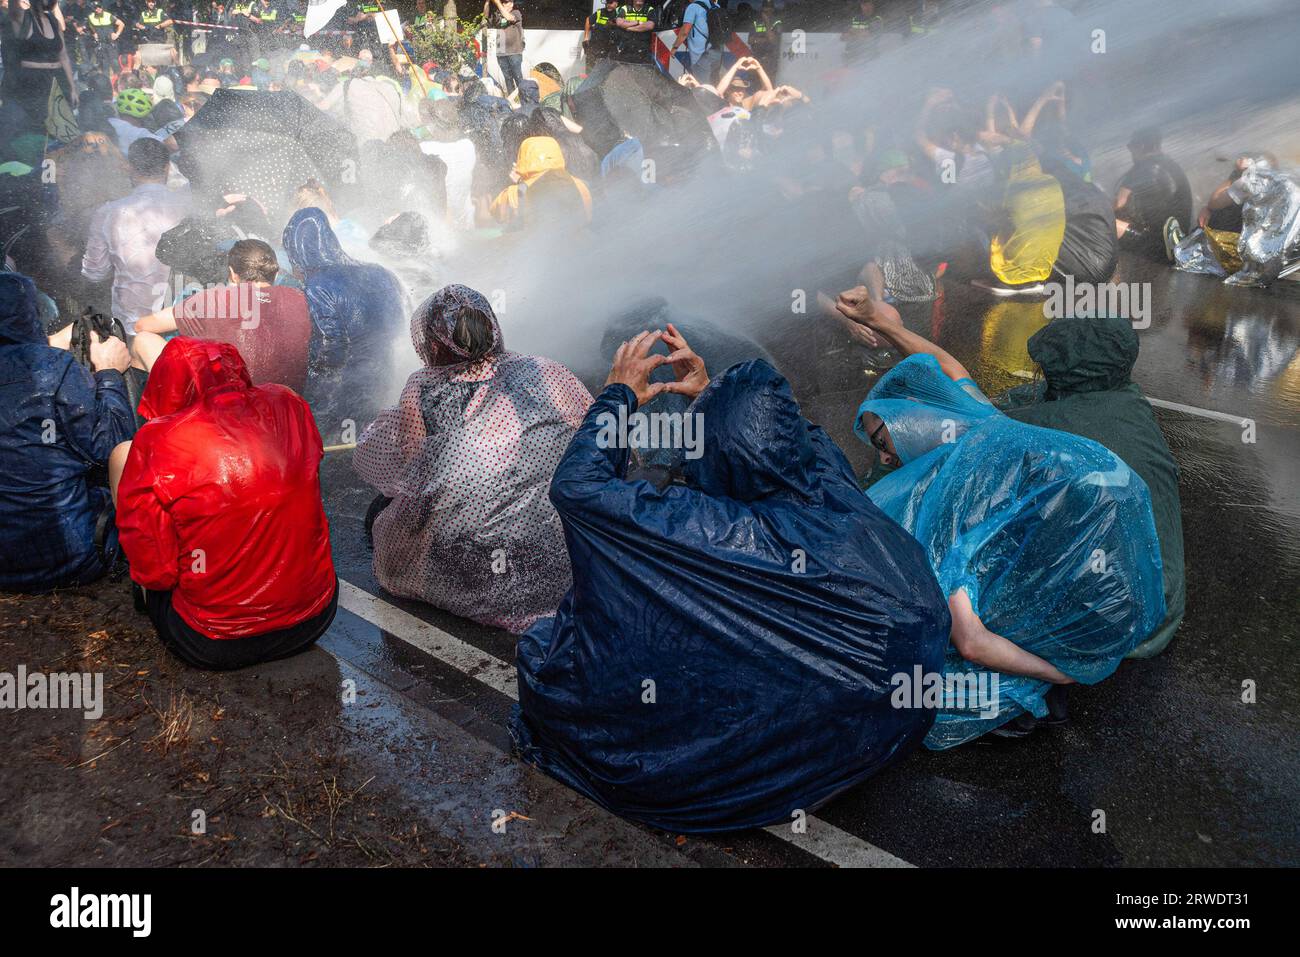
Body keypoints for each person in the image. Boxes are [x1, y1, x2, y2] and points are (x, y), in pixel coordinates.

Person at [512, 328, 952, 831]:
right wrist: (715, 398)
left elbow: (578, 487)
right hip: (883, 733)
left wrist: (620, 396)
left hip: (721, 774)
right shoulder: (828, 482)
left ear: (714, 455)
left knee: (552, 646)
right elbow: (796, 435)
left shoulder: (707, 528)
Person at [836, 288, 1167, 745]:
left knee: (895, 667)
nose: (886, 459)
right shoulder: (981, 421)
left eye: (882, 440)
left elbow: (969, 639)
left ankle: (1020, 689)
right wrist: (881, 321)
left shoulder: (942, 498)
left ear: (916, 421)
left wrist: (1061, 673)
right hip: (1128, 601)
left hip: (1079, 634)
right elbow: (947, 369)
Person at [355, 284, 592, 633]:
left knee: (382, 511)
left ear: (432, 342)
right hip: (553, 555)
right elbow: (594, 437)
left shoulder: (421, 388)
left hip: (472, 565)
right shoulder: (545, 370)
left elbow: (413, 476)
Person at [111, 337, 338, 670]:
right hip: (314, 618)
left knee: (121, 456)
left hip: (212, 640)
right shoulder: (291, 406)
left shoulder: (156, 441)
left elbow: (157, 573)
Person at [994, 316, 1186, 659]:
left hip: (1109, 623)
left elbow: (978, 426)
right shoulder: (1131, 404)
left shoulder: (1045, 427)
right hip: (1161, 603)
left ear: (1065, 374)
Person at [0, 271, 135, 591]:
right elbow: (112, 449)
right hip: (71, 558)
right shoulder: (54, 369)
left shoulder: (47, 368)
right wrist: (109, 373)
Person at [281, 206, 406, 444]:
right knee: (373, 445)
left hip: (348, 385)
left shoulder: (318, 285)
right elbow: (400, 324)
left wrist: (312, 394)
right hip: (385, 374)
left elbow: (331, 347)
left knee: (335, 450)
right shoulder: (379, 272)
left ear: (297, 250)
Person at [130, 239, 312, 393]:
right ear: (276, 272)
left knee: (143, 340)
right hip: (286, 403)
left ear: (233, 274)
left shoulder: (215, 299)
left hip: (227, 410)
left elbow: (142, 326)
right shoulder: (300, 299)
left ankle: (153, 425)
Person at [81, 137, 192, 334]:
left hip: (131, 325)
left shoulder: (108, 212)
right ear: (167, 168)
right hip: (179, 320)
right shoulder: (187, 206)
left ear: (130, 168)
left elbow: (94, 273)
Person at [1114, 126, 1192, 260]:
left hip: (1157, 244)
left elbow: (1117, 204)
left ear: (1141, 146)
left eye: (1131, 146)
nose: (1130, 151)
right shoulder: (1172, 165)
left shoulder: (1141, 169)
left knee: (1105, 221)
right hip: (1182, 235)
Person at [4, 0, 78, 134]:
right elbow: (13, 7)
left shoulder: (53, 21)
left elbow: (63, 56)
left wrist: (72, 88)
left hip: (56, 80)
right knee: (34, 127)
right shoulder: (22, 17)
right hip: (31, 82)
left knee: (60, 129)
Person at [490, 136, 592, 227]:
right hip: (579, 244)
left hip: (540, 245)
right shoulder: (581, 185)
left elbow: (495, 213)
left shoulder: (514, 194)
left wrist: (521, 180)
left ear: (523, 158)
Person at [669, 0, 718, 82]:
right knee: (713, 82)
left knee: (702, 85)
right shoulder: (716, 6)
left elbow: (685, 31)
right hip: (717, 51)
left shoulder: (693, 7)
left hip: (701, 54)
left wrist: (675, 47)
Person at [484, 0, 524, 96]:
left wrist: (497, 3)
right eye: (505, 2)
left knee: (518, 78)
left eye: (509, 2)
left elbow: (509, 18)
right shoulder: (497, 15)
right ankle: (512, 101)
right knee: (508, 79)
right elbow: (485, 16)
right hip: (501, 52)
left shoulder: (516, 13)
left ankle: (525, 100)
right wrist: (487, 3)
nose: (509, 4)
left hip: (514, 52)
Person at [85, 1, 125, 79]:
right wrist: (94, 34)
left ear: (102, 7)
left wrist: (117, 34)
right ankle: (107, 85)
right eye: (96, 8)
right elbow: (91, 28)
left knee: (115, 64)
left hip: (111, 43)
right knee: (104, 65)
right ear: (93, 9)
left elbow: (121, 24)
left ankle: (120, 82)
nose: (98, 9)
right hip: (101, 44)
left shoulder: (108, 15)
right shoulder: (91, 17)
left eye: (99, 7)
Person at [611, 0, 655, 65]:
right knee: (624, 68)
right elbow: (619, 23)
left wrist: (629, 28)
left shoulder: (649, 9)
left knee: (641, 70)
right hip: (626, 46)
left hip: (643, 47)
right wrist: (638, 22)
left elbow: (650, 26)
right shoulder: (625, 8)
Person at [583, 0, 618, 71]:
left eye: (611, 3)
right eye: (607, 3)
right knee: (590, 70)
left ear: (616, 4)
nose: (608, 5)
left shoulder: (619, 14)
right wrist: (586, 37)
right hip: (595, 45)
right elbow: (588, 20)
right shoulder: (600, 12)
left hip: (609, 47)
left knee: (606, 71)